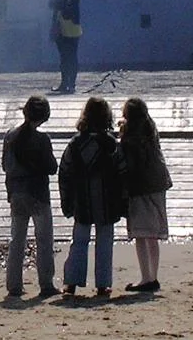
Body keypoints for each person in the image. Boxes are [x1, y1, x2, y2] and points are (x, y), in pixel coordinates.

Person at [58, 97, 127, 298]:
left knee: (79, 241)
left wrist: (66, 200)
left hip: (82, 200)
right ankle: (103, 284)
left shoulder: (76, 143)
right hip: (107, 201)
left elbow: (65, 172)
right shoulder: (111, 144)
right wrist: (123, 201)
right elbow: (122, 172)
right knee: (104, 242)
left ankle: (71, 282)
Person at [2, 95, 59, 298]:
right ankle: (46, 284)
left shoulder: (10, 136)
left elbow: (5, 166)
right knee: (44, 240)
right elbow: (52, 167)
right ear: (44, 116)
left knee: (17, 240)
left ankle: (14, 285)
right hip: (38, 194)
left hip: (16, 193)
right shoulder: (42, 139)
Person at [119, 97, 172, 292]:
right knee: (153, 235)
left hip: (139, 186)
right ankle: (153, 277)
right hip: (158, 182)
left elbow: (128, 163)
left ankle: (145, 278)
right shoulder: (150, 129)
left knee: (140, 234)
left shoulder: (129, 134)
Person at [48, 0, 82, 94]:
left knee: (72, 55)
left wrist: (60, 3)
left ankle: (71, 83)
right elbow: (51, 4)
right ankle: (64, 83)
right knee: (63, 56)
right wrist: (63, 3)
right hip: (59, 26)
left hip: (72, 26)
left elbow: (71, 3)